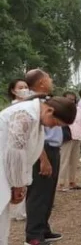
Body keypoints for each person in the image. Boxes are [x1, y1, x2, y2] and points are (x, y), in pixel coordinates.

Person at [0, 96, 77, 245]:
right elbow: (15, 153)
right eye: (57, 123)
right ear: (50, 111)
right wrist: (18, 184)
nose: (55, 127)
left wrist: (22, 182)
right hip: (3, 172)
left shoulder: (35, 117)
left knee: (2, 233)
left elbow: (25, 153)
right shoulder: (25, 116)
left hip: (5, 174)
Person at [23, 69, 62, 245]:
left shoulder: (45, 101)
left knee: (48, 192)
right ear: (40, 83)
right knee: (38, 192)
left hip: (52, 149)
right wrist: (43, 159)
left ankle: (43, 228)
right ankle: (33, 235)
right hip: (42, 150)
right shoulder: (33, 104)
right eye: (48, 77)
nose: (51, 80)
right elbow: (33, 135)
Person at [7, 80, 31, 222]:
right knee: (17, 179)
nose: (24, 90)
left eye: (26, 87)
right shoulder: (15, 109)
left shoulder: (27, 107)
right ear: (13, 91)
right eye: (20, 87)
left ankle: (20, 211)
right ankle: (16, 212)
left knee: (24, 179)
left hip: (25, 149)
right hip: (16, 148)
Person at [58, 91, 81, 191]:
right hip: (67, 137)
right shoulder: (61, 109)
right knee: (64, 160)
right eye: (69, 99)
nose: (71, 101)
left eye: (73, 99)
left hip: (77, 137)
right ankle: (60, 183)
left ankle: (72, 182)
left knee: (74, 161)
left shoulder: (79, 110)